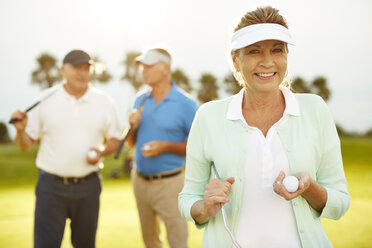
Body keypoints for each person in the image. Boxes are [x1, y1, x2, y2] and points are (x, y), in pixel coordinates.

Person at [179, 6, 350, 248]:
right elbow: (188, 199)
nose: (268, 61)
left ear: (286, 56)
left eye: (277, 50)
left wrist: (309, 187)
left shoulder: (315, 110)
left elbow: (340, 201)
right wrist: (205, 208)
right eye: (254, 51)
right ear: (235, 60)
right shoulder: (208, 116)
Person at [10, 49, 122, 248]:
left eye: (86, 68)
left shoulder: (104, 101)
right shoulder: (44, 99)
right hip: (50, 188)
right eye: (76, 67)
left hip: (89, 186)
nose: (82, 73)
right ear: (63, 70)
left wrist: (101, 152)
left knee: (85, 244)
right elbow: (26, 144)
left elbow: (115, 138)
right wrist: (20, 131)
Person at [126, 47, 197, 248]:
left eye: (149, 66)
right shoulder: (140, 100)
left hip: (170, 183)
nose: (143, 70)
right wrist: (132, 127)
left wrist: (165, 146)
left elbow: (197, 147)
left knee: (177, 240)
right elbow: (131, 142)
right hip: (139, 181)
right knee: (150, 241)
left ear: (165, 69)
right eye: (142, 66)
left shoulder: (186, 104)